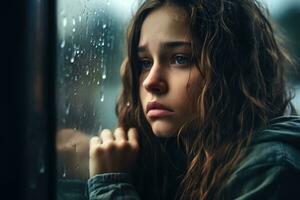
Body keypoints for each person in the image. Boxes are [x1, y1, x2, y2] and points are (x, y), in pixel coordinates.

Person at [87, 0, 300, 199]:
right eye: (144, 62)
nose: (150, 82)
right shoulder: (175, 157)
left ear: (231, 71)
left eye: (180, 59)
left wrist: (111, 186)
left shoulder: (269, 170)